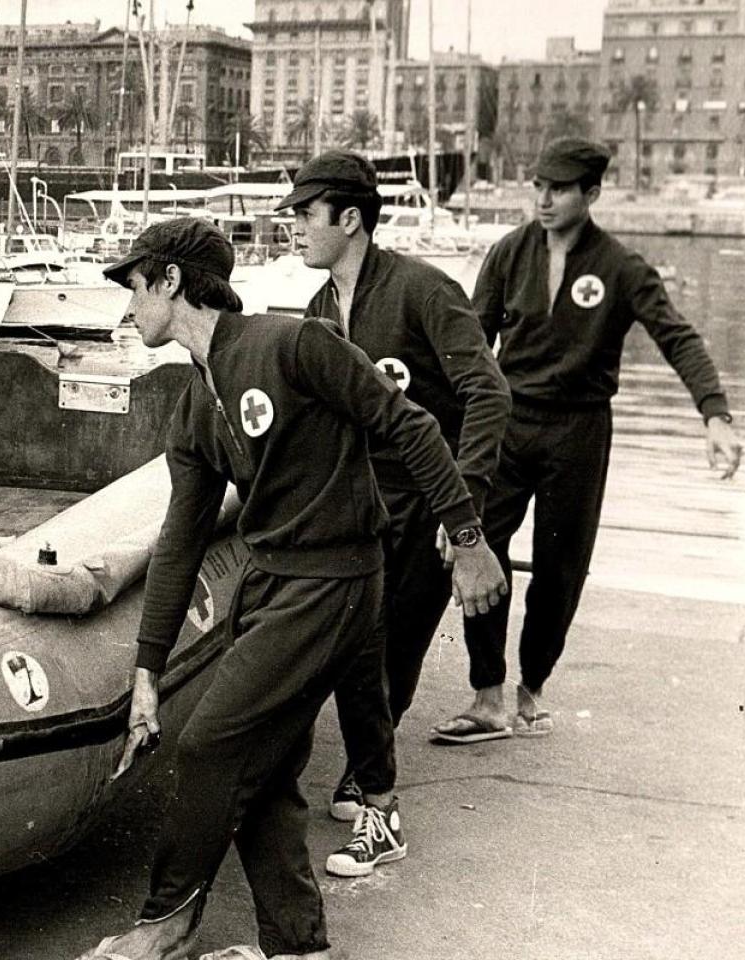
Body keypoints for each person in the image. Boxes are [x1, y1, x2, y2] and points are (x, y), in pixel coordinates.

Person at [77, 219, 507, 960]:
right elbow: (180, 541)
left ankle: (166, 923)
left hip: (336, 580)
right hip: (272, 582)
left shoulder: (293, 345)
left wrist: (467, 540)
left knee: (210, 745)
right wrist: (147, 669)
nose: (127, 305)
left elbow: (412, 427)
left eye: (134, 284)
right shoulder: (195, 404)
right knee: (267, 770)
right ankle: (297, 946)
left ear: (172, 281)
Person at [430, 137, 743, 745]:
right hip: (508, 422)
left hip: (579, 429)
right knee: (481, 546)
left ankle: (531, 690)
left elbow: (678, 337)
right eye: (539, 186)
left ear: (591, 193)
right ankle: (487, 695)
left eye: (559, 189)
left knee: (561, 566)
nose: (544, 199)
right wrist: (446, 426)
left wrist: (715, 415)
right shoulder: (508, 252)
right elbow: (469, 344)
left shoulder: (621, 266)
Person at [280, 151, 511, 878]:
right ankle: (365, 771)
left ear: (350, 219)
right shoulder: (319, 311)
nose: (294, 228)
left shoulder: (423, 291)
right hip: (362, 505)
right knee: (355, 648)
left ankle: (374, 795)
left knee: (396, 650)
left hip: (428, 501)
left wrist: (463, 506)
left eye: (305, 214)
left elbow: (488, 394)